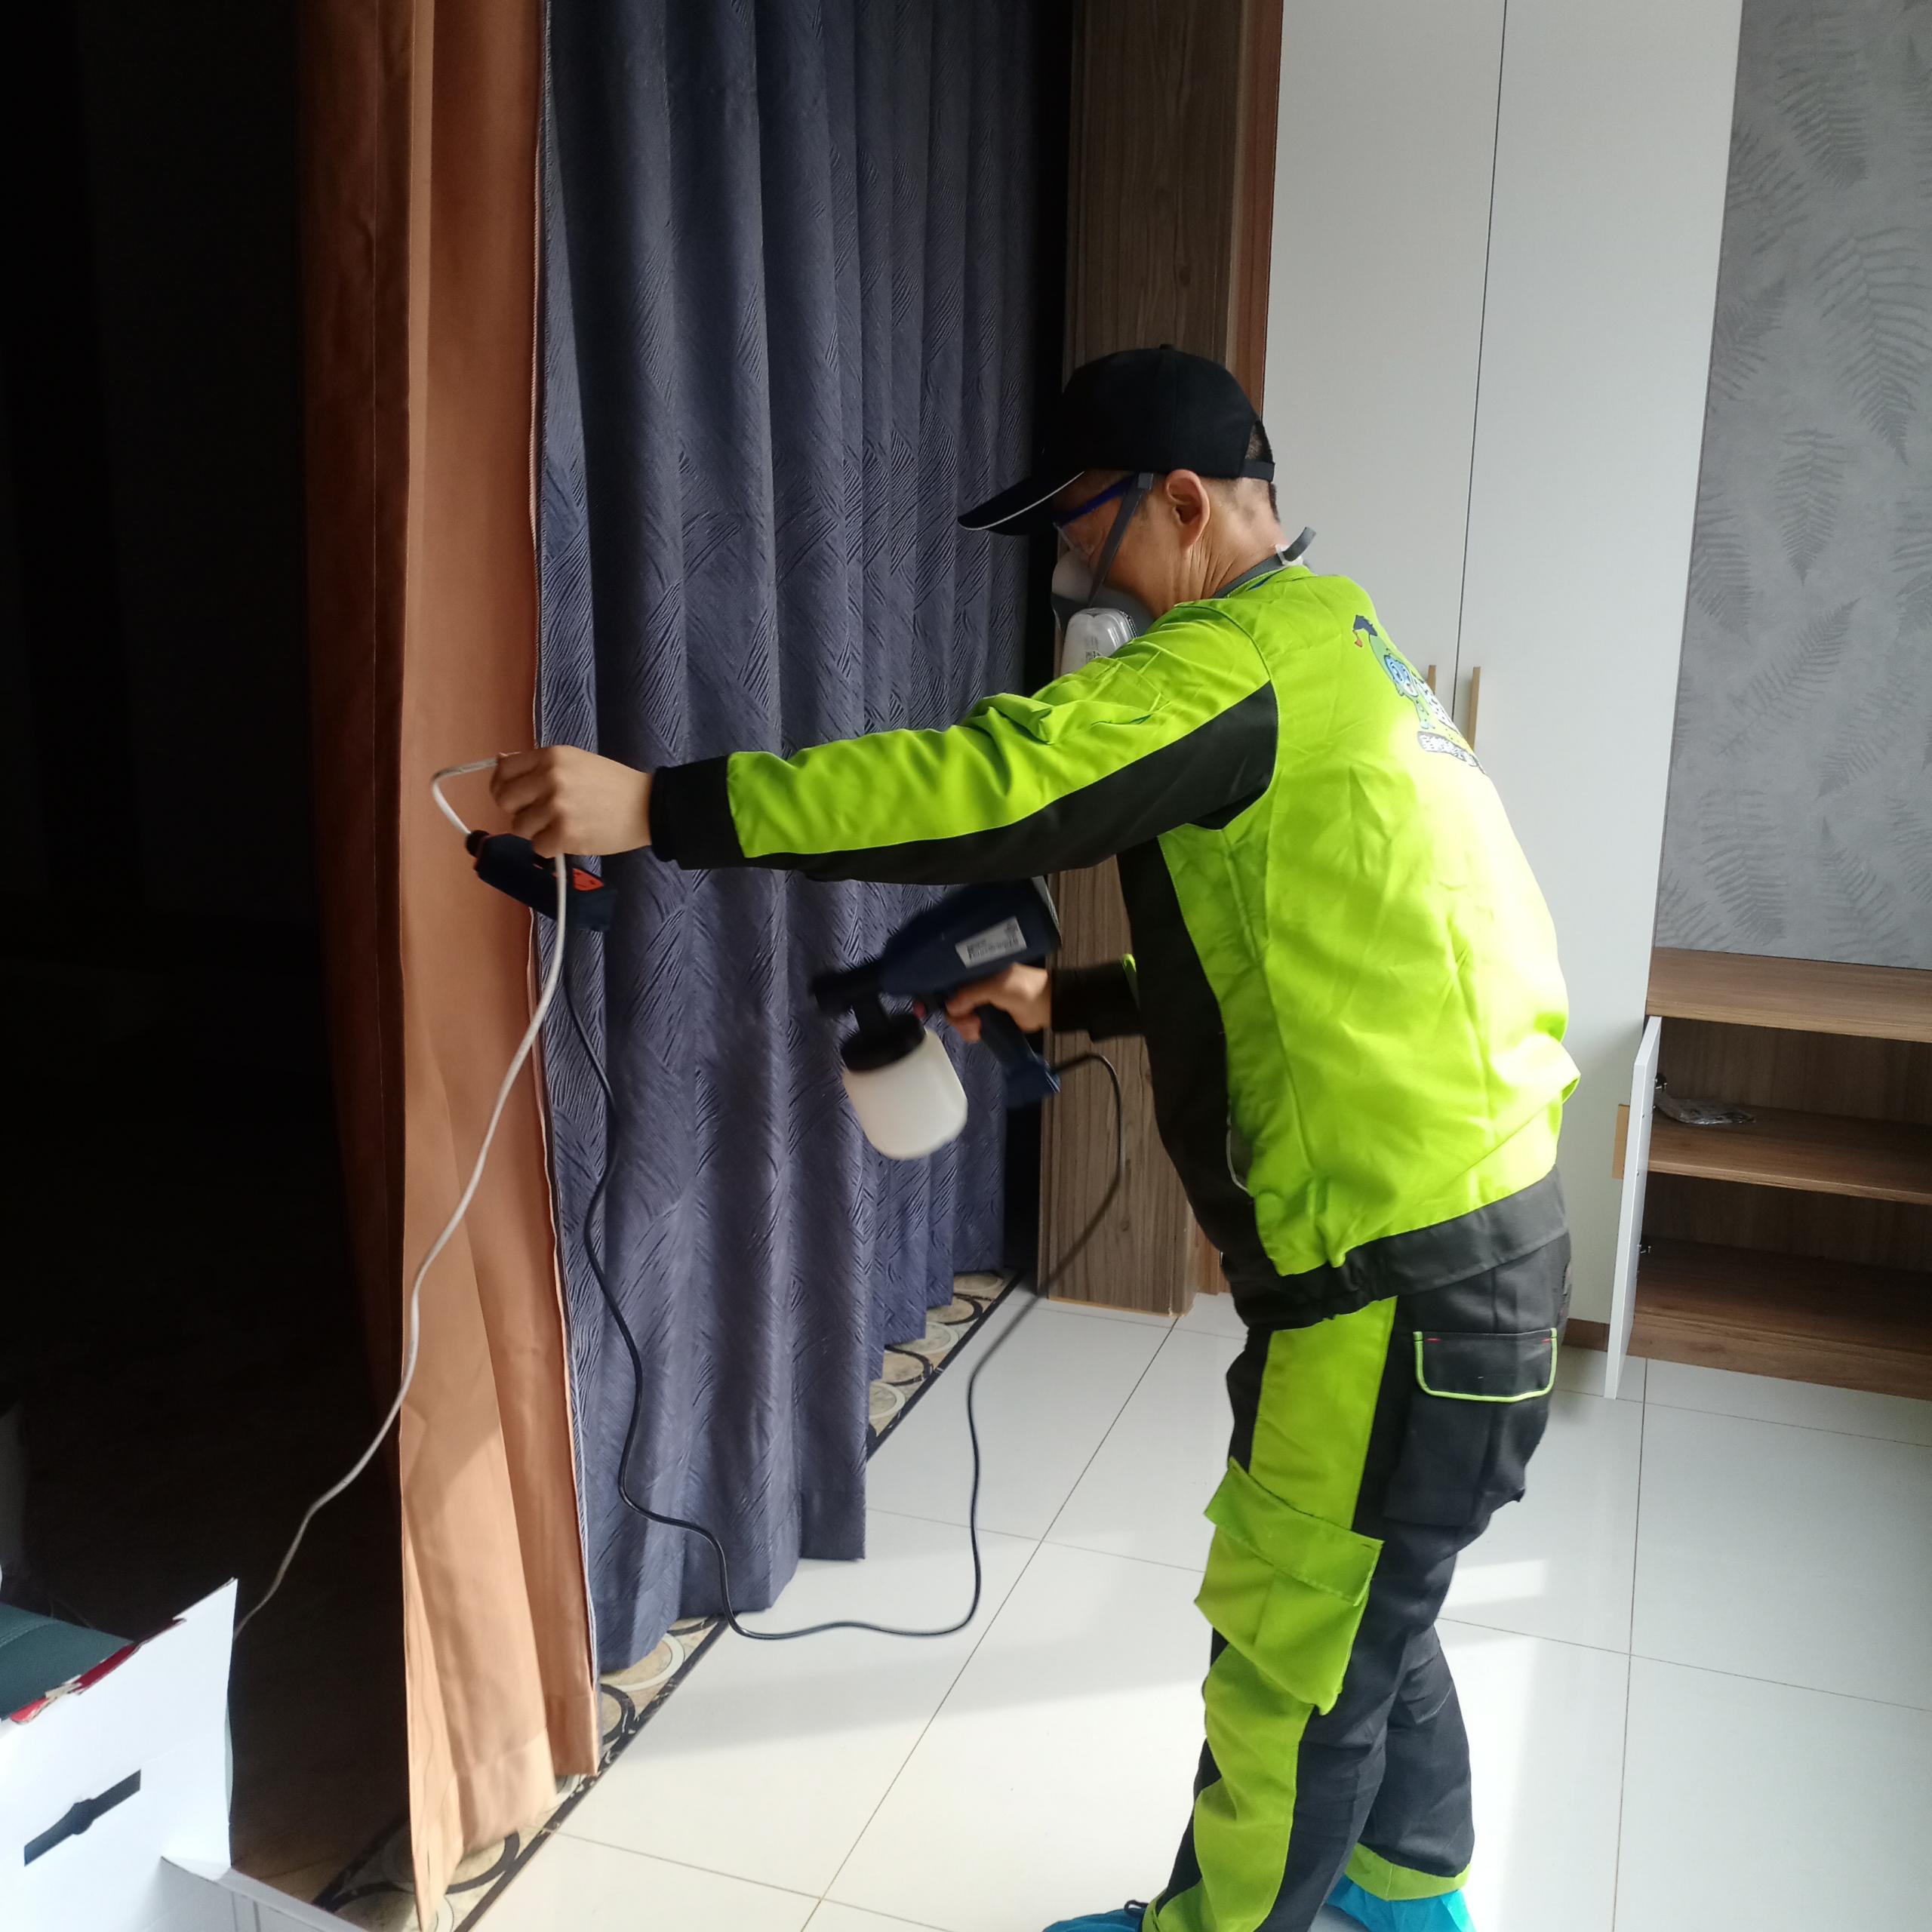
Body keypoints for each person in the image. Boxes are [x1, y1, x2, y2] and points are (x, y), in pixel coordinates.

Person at [491, 346, 1579, 1932]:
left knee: (1291, 1660)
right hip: (1475, 1242)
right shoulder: (1346, 651)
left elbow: (996, 789)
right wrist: (1064, 994)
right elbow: (1323, 963)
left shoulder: (1229, 667)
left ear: (1183, 504)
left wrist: (661, 808)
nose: (1074, 571)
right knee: (1366, 1601)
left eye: (1084, 527)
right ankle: (1403, 1893)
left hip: (1390, 1277)